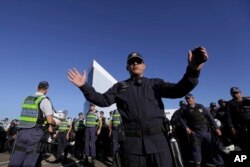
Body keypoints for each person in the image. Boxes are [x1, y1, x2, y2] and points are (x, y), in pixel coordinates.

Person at [67, 47, 208, 167]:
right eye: (131, 62)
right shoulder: (120, 87)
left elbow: (179, 90)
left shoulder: (155, 83)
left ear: (144, 65)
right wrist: (84, 86)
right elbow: (102, 100)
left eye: (138, 61)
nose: (135, 63)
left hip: (159, 143)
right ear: (127, 67)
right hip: (132, 147)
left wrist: (193, 70)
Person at [9, 81, 57, 167]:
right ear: (46, 90)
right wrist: (55, 123)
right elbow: (50, 120)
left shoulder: (26, 99)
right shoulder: (44, 100)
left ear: (37, 88)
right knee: (30, 160)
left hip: (22, 131)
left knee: (16, 158)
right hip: (35, 133)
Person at [180, 93, 224, 167]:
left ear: (193, 98)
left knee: (212, 148)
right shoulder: (185, 109)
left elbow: (210, 117)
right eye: (187, 99)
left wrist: (216, 128)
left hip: (206, 131)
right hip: (195, 133)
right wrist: (186, 128)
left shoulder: (200, 106)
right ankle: (198, 164)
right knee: (196, 151)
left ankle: (220, 164)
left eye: (189, 98)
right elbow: (180, 119)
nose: (188, 100)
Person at [225, 87, 250, 154]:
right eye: (233, 93)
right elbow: (228, 117)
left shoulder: (247, 101)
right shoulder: (229, 103)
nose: (235, 94)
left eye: (236, 93)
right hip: (239, 127)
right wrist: (232, 128)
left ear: (240, 93)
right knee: (242, 143)